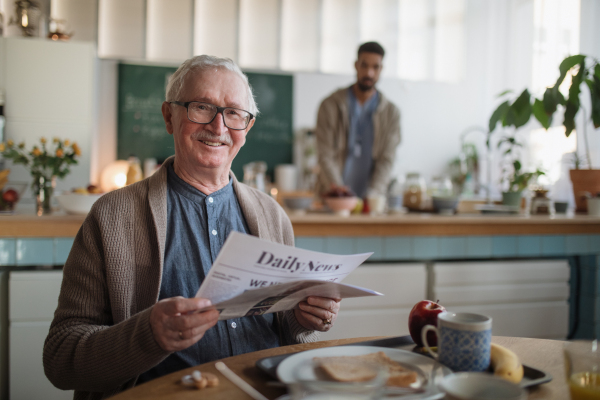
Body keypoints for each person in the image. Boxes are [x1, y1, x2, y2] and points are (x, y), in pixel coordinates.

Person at [43, 55, 340, 400]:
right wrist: (148, 335)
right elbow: (61, 358)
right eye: (202, 107)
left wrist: (304, 320)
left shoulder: (273, 216)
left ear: (248, 128)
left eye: (233, 114)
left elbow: (286, 331)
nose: (218, 127)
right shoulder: (111, 216)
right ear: (169, 116)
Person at [314, 41, 401, 199]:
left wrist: (374, 194)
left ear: (381, 69)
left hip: (372, 203)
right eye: (364, 65)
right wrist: (340, 191)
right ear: (356, 65)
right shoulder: (330, 106)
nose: (369, 73)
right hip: (334, 199)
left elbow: (387, 160)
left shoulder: (391, 113)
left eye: (375, 67)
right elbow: (325, 154)